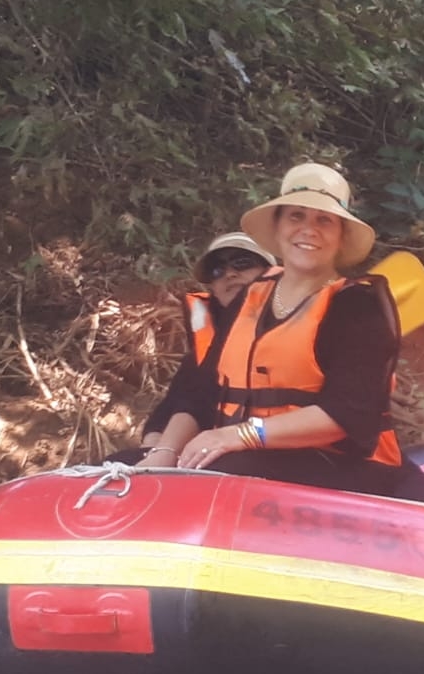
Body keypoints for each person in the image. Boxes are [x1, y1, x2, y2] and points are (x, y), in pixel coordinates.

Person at [167, 162, 408, 496]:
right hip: (251, 457)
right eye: (296, 216)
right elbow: (201, 392)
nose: (309, 230)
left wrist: (238, 435)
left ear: (340, 236)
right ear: (278, 228)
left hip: (344, 468)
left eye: (324, 220)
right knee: (127, 461)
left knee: (221, 472)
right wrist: (161, 456)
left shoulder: (358, 306)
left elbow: (346, 415)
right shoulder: (250, 296)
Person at [135, 233, 274, 467]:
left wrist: (235, 436)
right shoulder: (209, 346)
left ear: (271, 272)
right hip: (214, 451)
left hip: (278, 450)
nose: (230, 274)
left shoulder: (299, 324)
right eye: (217, 271)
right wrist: (157, 450)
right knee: (122, 462)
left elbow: (337, 411)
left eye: (243, 263)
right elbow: (182, 403)